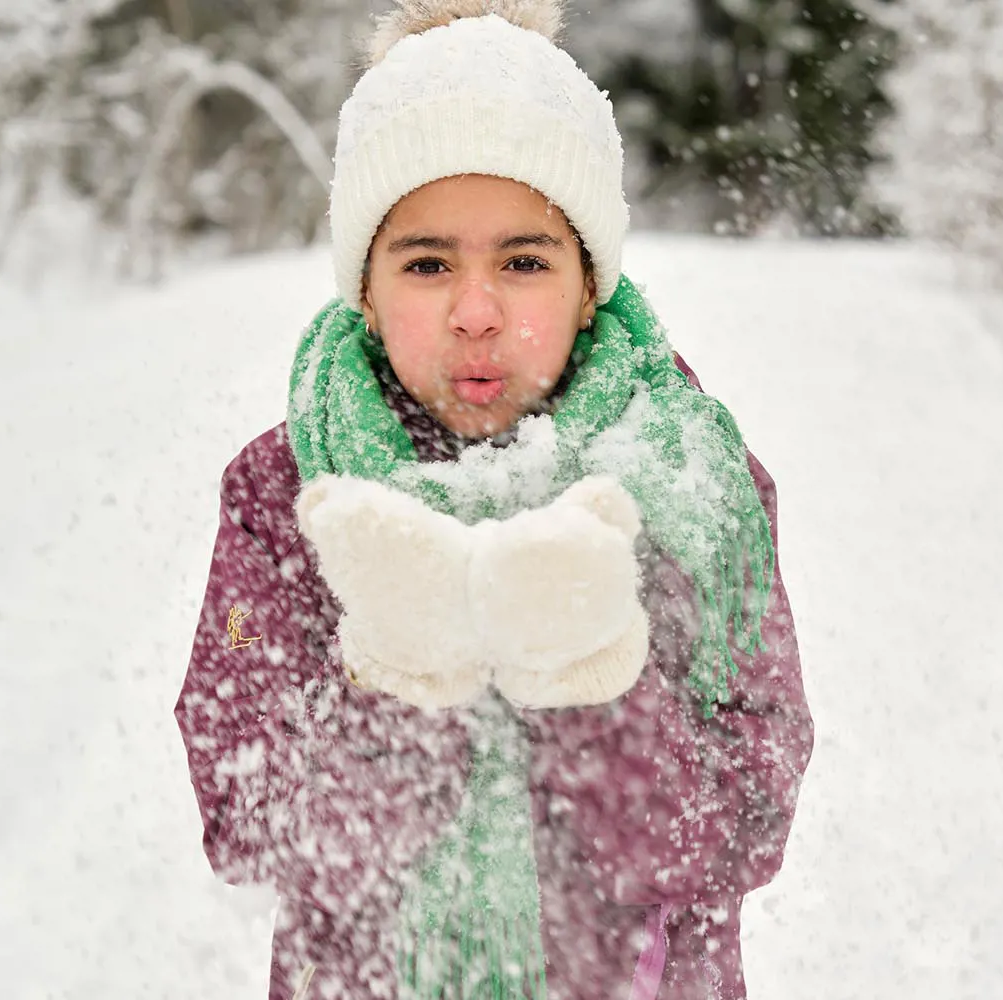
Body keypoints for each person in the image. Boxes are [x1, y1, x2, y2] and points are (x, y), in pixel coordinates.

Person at [174, 2, 814, 997]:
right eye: (427, 263)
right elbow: (247, 818)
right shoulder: (291, 493)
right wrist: (399, 687)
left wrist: (589, 685)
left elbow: (746, 821)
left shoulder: (691, 487)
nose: (477, 313)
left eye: (524, 261)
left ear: (589, 281)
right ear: (367, 288)